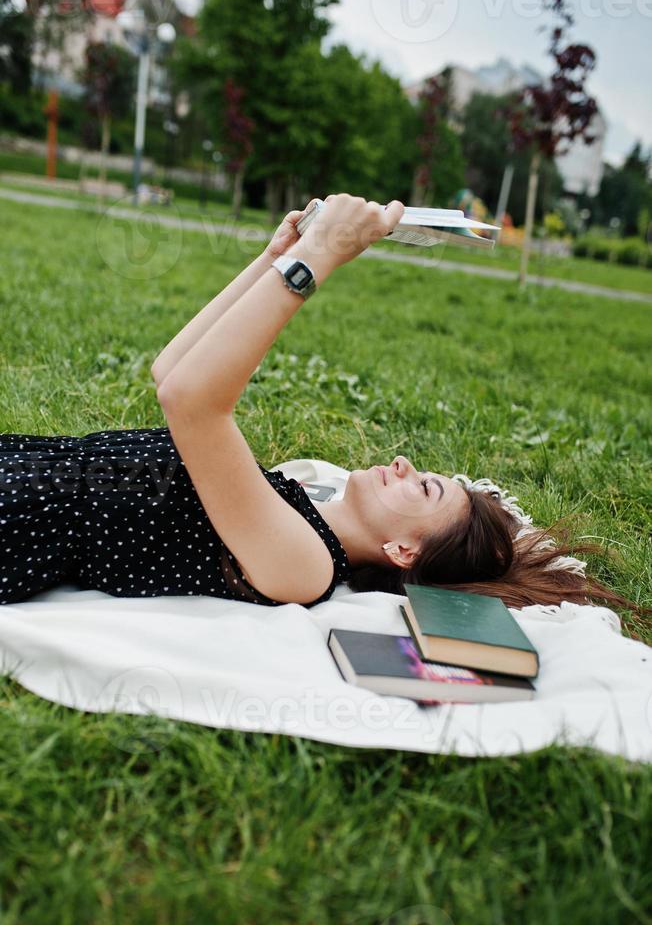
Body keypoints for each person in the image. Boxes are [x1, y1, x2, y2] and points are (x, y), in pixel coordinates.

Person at [0, 195, 646, 632]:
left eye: (424, 486)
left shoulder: (304, 567)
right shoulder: (282, 496)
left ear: (401, 551)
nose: (403, 462)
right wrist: (279, 255)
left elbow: (192, 400)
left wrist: (325, 256)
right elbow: (175, 370)